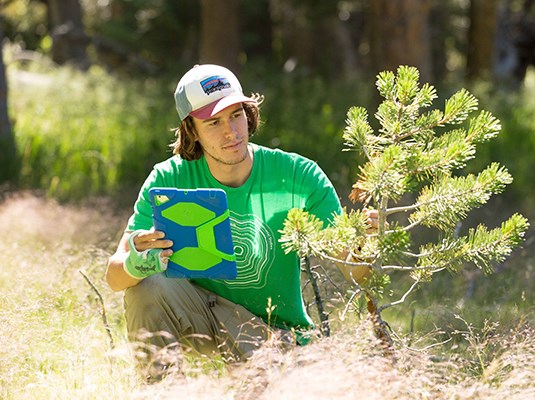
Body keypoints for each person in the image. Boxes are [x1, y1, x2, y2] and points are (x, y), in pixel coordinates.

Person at [105, 64, 372, 380]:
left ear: (249, 114)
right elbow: (114, 276)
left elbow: (356, 271)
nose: (230, 132)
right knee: (145, 288)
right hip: (201, 315)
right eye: (214, 122)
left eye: (236, 115)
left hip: (275, 332)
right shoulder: (168, 178)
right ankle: (161, 390)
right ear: (191, 130)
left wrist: (366, 245)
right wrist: (138, 264)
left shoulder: (299, 177)